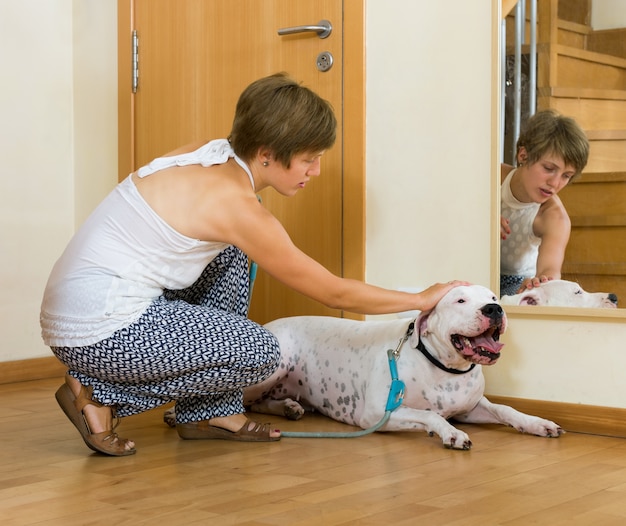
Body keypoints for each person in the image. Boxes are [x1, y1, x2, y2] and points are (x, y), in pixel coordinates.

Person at [41, 73, 468, 456]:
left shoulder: (209, 155)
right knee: (262, 353)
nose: (315, 171)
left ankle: (211, 411)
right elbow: (331, 291)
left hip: (81, 310)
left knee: (230, 253)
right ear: (266, 153)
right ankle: (100, 394)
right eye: (308, 158)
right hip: (98, 331)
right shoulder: (238, 209)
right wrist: (419, 298)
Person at [500, 109, 589, 297]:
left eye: (566, 176)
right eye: (549, 168)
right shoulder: (491, 176)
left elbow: (550, 272)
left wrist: (540, 282)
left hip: (515, 285)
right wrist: (479, 216)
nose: (555, 184)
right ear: (523, 155)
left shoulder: (554, 218)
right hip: (470, 268)